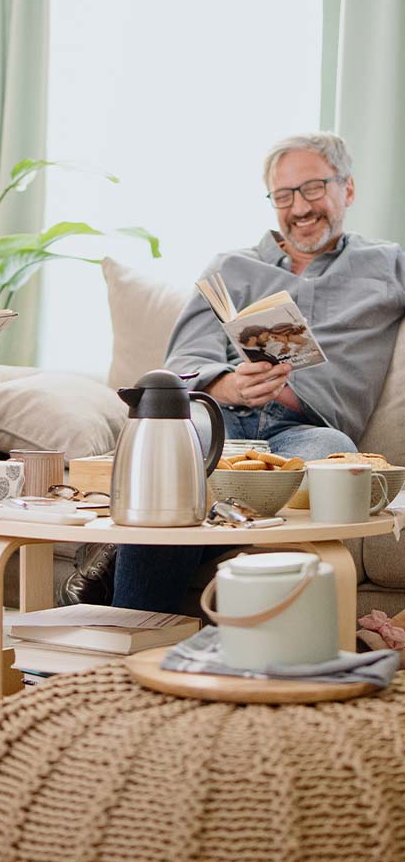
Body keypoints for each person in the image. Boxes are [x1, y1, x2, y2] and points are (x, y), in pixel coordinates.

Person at [113, 131, 405, 613]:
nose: (300, 207)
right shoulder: (232, 267)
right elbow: (182, 361)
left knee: (334, 460)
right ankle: (131, 635)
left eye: (313, 188)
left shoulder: (388, 264)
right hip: (219, 422)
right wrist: (227, 383)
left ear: (347, 189)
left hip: (308, 430)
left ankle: (120, 572)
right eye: (284, 195)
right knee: (172, 462)